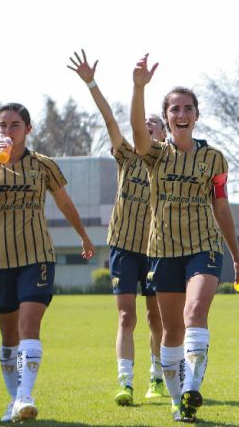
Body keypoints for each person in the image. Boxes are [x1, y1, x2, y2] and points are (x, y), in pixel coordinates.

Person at [130, 54, 239, 422]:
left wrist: (238, 256)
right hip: (163, 250)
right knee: (171, 331)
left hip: (204, 248)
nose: (181, 114)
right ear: (166, 117)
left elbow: (222, 208)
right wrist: (139, 87)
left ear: (196, 115)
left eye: (187, 108)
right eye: (174, 109)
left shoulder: (214, 159)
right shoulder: (154, 155)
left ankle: (192, 387)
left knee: (195, 312)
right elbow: (137, 131)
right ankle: (178, 401)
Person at [0, 103, 96, 422]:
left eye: (14, 125)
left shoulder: (44, 165)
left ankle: (26, 395)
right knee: (8, 337)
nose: (7, 131)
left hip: (37, 255)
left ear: (28, 129)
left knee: (29, 324)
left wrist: (83, 234)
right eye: (2, 126)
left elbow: (64, 202)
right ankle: (15, 401)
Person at [68, 49, 166, 405]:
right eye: (146, 122)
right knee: (127, 317)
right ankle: (125, 382)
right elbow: (110, 119)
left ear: (163, 134)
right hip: (123, 247)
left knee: (158, 319)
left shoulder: (167, 163)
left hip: (157, 250)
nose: (149, 125)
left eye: (156, 123)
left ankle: (157, 377)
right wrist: (91, 82)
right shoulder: (126, 154)